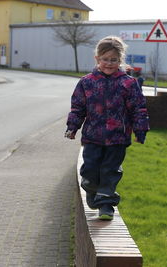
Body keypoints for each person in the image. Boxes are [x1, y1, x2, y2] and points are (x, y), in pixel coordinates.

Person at [64, 36, 150, 220]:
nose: (109, 63)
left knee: (110, 171)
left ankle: (106, 207)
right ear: (97, 58)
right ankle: (93, 192)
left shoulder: (128, 84)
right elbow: (78, 107)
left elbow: (138, 109)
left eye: (113, 60)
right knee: (89, 171)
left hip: (117, 138)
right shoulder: (87, 82)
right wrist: (72, 127)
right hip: (92, 137)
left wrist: (140, 130)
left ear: (120, 60)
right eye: (105, 59)